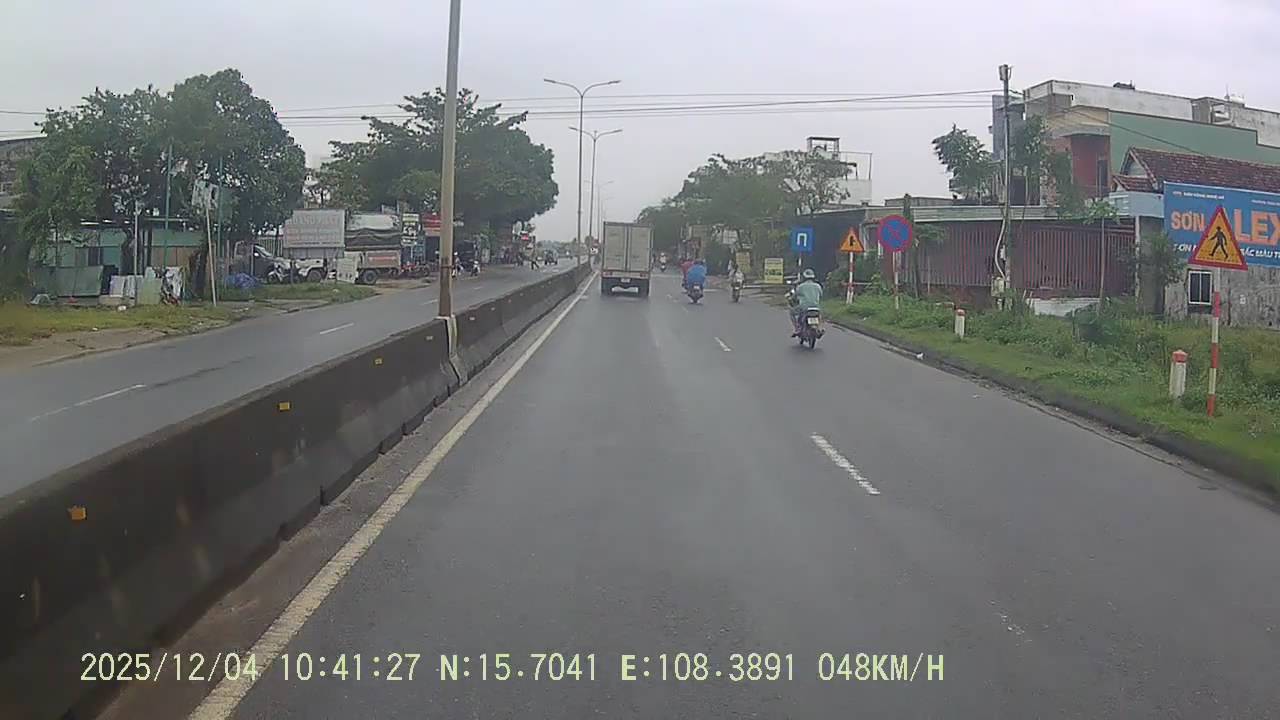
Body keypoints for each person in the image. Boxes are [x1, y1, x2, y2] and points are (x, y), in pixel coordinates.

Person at [788, 268, 823, 334]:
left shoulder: (800, 287)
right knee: (819, 315)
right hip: (816, 307)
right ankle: (819, 328)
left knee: (792, 313)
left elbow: (794, 296)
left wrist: (791, 299)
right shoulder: (818, 286)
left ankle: (797, 328)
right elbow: (821, 295)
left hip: (804, 307)